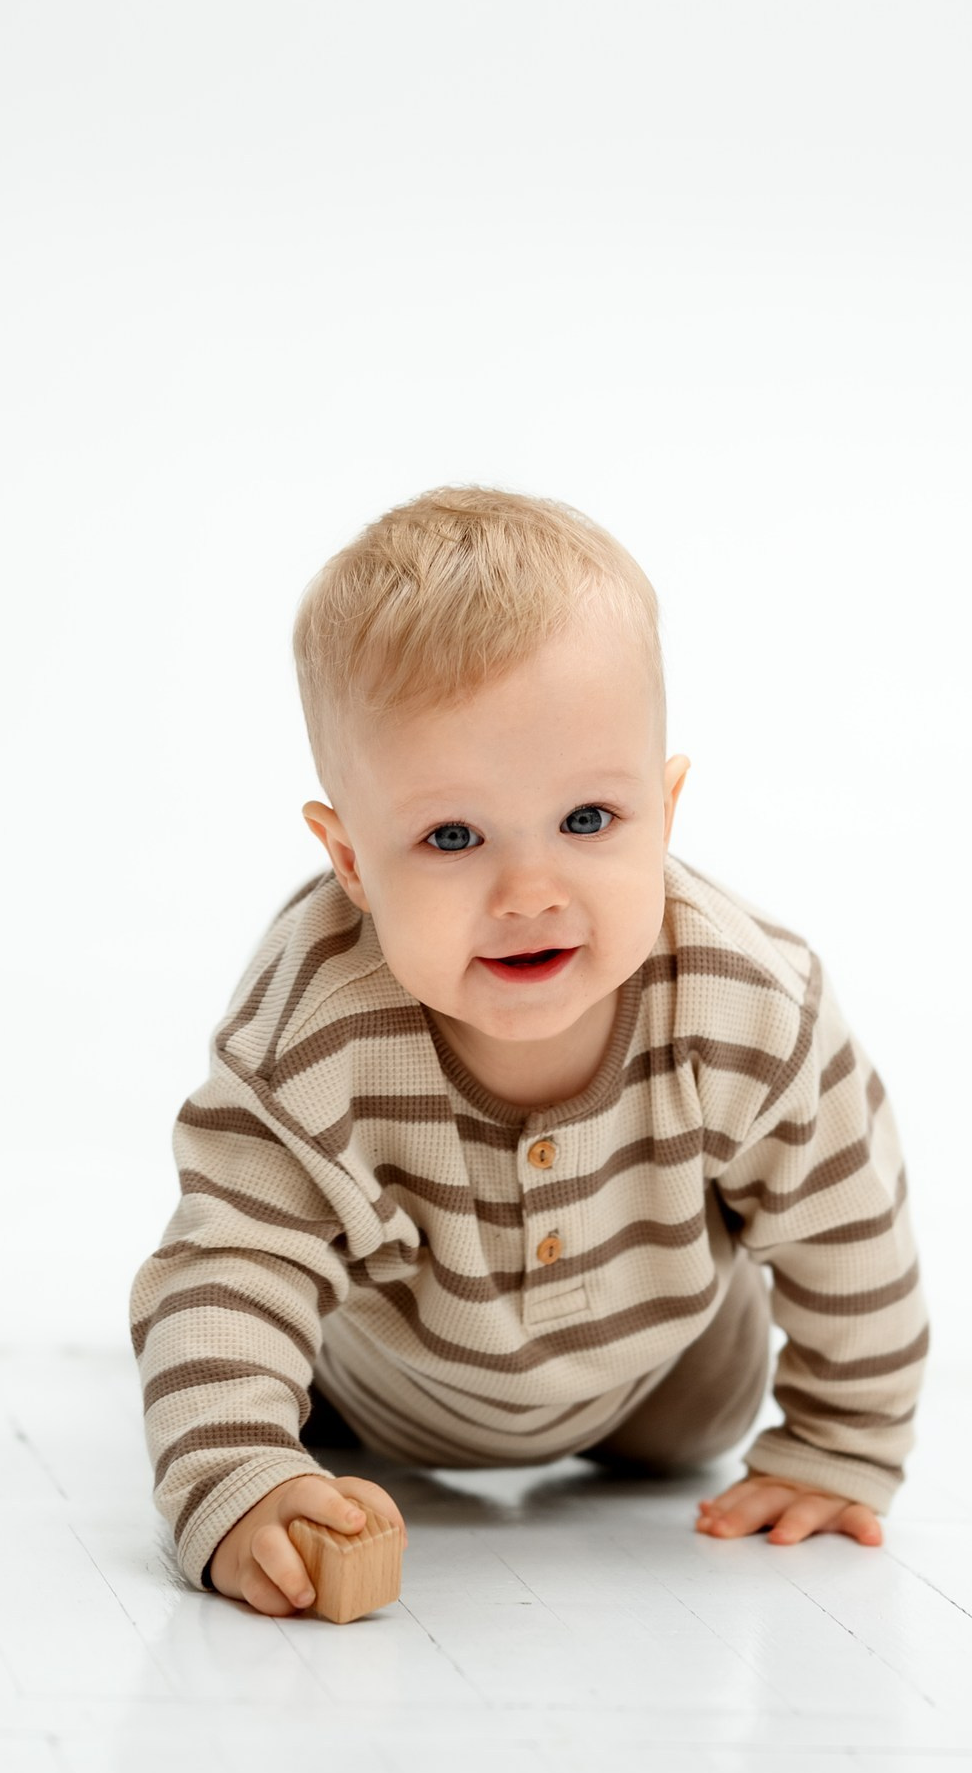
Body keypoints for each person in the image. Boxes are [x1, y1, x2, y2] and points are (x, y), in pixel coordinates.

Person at [128, 484, 927, 1613]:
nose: (529, 892)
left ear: (665, 807)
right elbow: (233, 1261)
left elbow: (850, 1222)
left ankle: (694, 1361)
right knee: (249, 1348)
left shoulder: (745, 999)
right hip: (387, 1391)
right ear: (351, 859)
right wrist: (237, 1474)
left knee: (694, 1414)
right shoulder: (314, 1029)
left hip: (670, 1370)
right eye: (450, 836)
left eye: (589, 821)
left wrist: (840, 1443)